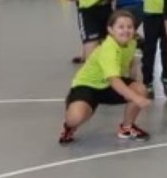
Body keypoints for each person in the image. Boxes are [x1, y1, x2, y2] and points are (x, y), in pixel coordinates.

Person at [58, 10, 150, 144]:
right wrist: (136, 98)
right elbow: (114, 80)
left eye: (129, 27)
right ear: (110, 30)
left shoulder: (132, 43)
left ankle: (127, 128)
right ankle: (68, 126)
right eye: (121, 27)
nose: (126, 30)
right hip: (88, 85)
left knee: (140, 89)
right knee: (75, 118)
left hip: (108, 85)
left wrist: (135, 85)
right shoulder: (108, 49)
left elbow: (131, 62)